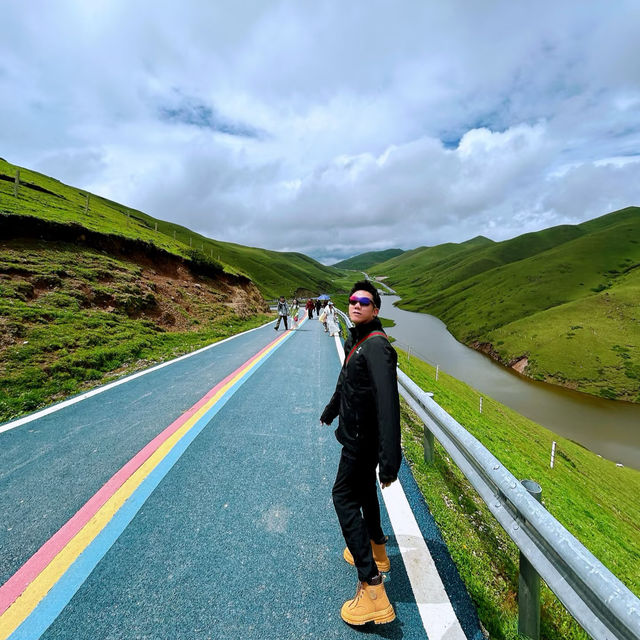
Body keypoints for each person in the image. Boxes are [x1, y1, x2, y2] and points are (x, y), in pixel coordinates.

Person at [320, 280, 401, 626]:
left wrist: (390, 460)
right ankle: (378, 550)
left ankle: (372, 589)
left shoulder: (378, 347)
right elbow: (347, 383)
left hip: (362, 441)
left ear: (376, 309)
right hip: (355, 434)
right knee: (364, 490)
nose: (355, 306)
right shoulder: (359, 339)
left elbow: (388, 405)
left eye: (364, 302)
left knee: (342, 497)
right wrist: (332, 409)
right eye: (352, 301)